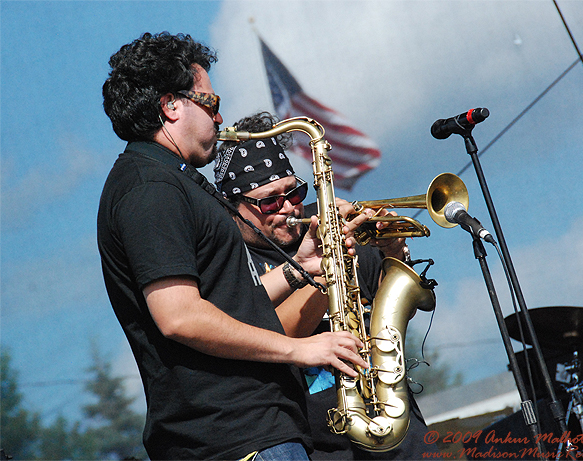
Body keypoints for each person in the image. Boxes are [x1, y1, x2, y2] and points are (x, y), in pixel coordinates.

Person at [97, 32, 370, 460]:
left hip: (256, 431)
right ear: (171, 106)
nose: (220, 118)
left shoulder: (169, 180)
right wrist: (300, 348)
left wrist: (298, 268)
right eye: (210, 102)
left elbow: (224, 304)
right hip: (235, 437)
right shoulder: (150, 188)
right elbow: (180, 317)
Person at [215, 112, 440, 460]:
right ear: (233, 208)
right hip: (320, 445)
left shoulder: (334, 232)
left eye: (294, 192)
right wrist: (325, 271)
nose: (289, 207)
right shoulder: (230, 265)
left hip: (398, 426)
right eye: (271, 201)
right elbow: (274, 334)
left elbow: (396, 303)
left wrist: (392, 251)